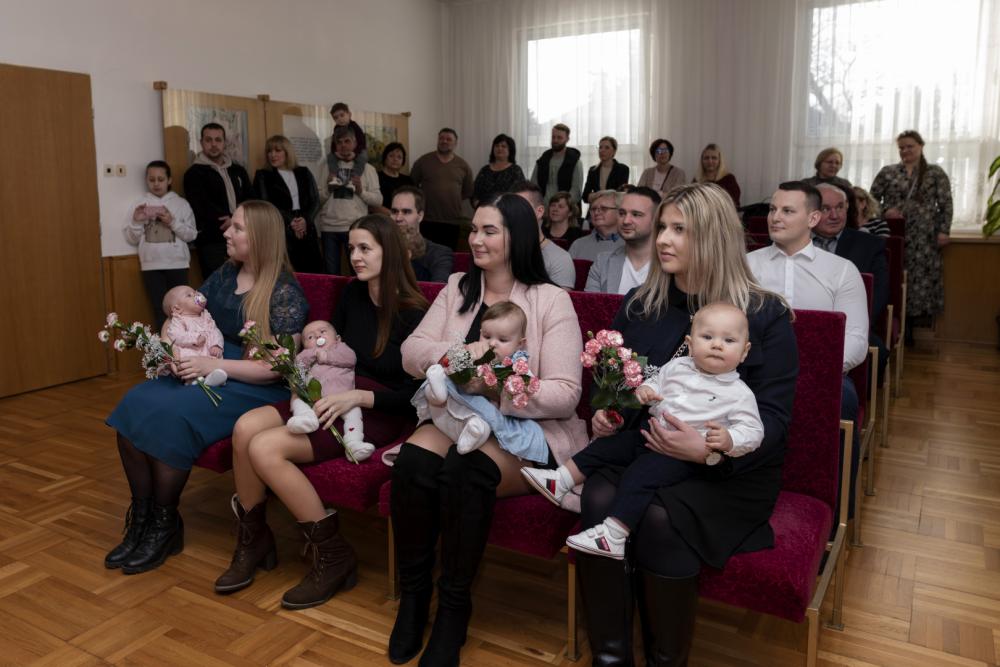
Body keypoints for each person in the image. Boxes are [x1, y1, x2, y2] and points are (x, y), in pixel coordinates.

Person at [571, 183, 797, 665]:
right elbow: (613, 383)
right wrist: (607, 412)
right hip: (645, 448)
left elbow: (775, 421)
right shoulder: (641, 303)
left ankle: (666, 661)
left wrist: (709, 451)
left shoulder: (763, 314)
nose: (663, 239)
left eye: (680, 229)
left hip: (725, 469)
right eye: (663, 227)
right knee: (598, 497)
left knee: (659, 517)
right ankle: (610, 658)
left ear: (713, 237)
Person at [387, 193, 588, 666]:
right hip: (459, 414)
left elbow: (565, 393)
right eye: (474, 229)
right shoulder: (458, 287)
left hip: (526, 427)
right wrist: (460, 359)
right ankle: (414, 596)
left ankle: (454, 607)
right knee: (412, 465)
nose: (475, 239)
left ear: (517, 237)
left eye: (489, 231)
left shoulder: (550, 300)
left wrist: (494, 386)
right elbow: (411, 352)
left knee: (465, 471)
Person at [214, 214, 427, 607]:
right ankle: (254, 540)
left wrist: (359, 398)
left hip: (376, 409)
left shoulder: (414, 311)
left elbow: (419, 392)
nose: (355, 256)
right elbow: (330, 355)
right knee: (245, 428)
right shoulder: (352, 293)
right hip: (329, 391)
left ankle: (333, 556)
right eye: (352, 248)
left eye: (365, 248)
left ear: (391, 252)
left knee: (264, 448)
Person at [105, 200, 308, 575]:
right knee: (135, 402)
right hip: (204, 365)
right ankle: (143, 519)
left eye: (238, 228)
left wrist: (213, 365)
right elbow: (181, 312)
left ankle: (165, 524)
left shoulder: (284, 292)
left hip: (252, 382)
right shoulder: (226, 273)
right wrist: (168, 347)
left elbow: (275, 367)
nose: (227, 232)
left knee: (173, 415)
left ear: (261, 238)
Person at [525, 303, 763, 559]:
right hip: (649, 434)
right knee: (607, 447)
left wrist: (730, 439)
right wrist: (646, 391)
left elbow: (753, 431)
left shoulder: (739, 394)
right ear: (690, 344)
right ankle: (561, 480)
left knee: (640, 475)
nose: (717, 345)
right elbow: (656, 382)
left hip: (681, 457)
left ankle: (614, 535)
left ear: (744, 352)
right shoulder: (677, 366)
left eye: (729, 340)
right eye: (707, 337)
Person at [747, 181, 868, 520]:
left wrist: (816, 372)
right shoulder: (746, 265)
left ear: (813, 218)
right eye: (773, 209)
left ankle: (837, 510)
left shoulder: (841, 270)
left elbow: (856, 340)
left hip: (821, 374)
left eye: (787, 211)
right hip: (753, 368)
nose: (775, 217)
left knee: (844, 398)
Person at [414, 301, 547, 461]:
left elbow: (525, 390)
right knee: (445, 378)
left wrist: (501, 387)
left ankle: (475, 431)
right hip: (453, 407)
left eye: (503, 339)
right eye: (487, 336)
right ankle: (436, 393)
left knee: (483, 420)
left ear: (520, 344)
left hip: (485, 414)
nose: (492, 343)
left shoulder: (517, 365)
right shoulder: (475, 351)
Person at [870, 129, 953, 343]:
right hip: (894, 234)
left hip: (925, 237)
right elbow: (870, 201)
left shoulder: (935, 173)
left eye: (910, 146)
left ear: (921, 146)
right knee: (895, 275)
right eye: (901, 148)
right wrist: (885, 211)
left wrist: (944, 230)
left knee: (920, 281)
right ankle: (898, 323)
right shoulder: (887, 172)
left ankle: (911, 327)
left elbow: (946, 203)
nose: (905, 150)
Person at [284, 319, 376, 463]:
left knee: (354, 414)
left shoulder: (342, 348)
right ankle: (306, 418)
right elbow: (297, 368)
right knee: (298, 400)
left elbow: (350, 359)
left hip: (342, 397)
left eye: (322, 332)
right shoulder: (306, 354)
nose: (317, 336)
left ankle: (354, 443)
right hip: (313, 396)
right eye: (310, 337)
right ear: (304, 345)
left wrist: (326, 356)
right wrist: (311, 354)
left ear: (337, 338)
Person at [124, 160, 197, 330]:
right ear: (146, 180)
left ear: (169, 180)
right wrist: (136, 220)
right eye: (152, 180)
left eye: (161, 179)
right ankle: (165, 345)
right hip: (151, 266)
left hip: (178, 264)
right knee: (159, 310)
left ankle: (184, 344)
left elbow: (191, 235)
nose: (156, 184)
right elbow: (132, 239)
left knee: (183, 309)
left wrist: (172, 222)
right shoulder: (140, 204)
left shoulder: (181, 204)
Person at [183, 123, 254, 278]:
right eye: (209, 140)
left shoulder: (238, 170)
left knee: (245, 281)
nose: (214, 144)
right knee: (217, 283)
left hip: (242, 237)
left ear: (224, 143)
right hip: (212, 241)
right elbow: (201, 206)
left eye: (218, 140)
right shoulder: (193, 173)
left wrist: (235, 221)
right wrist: (232, 221)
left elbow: (250, 199)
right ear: (201, 142)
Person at [316, 126, 382, 275]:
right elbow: (316, 200)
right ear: (335, 144)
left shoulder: (368, 169)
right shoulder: (325, 167)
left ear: (355, 143)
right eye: (339, 142)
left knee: (358, 273)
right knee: (331, 275)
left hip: (356, 228)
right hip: (329, 228)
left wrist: (361, 192)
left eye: (347, 141)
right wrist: (328, 189)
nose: (343, 145)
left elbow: (378, 200)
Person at [253, 135, 324, 273]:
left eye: (277, 150)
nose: (272, 155)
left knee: (312, 270)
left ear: (287, 152)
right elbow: (266, 204)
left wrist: (305, 220)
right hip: (280, 228)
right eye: (269, 151)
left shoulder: (304, 172)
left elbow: (315, 200)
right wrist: (291, 221)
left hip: (306, 226)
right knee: (287, 272)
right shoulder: (263, 175)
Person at [585, 186, 661, 294]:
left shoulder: (671, 265)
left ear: (656, 220)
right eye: (622, 213)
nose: (626, 221)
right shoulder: (602, 263)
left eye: (636, 214)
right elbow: (591, 304)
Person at [409, 128, 474, 249]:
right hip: (427, 219)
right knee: (426, 253)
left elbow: (467, 192)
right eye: (441, 138)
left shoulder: (463, 166)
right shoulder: (423, 161)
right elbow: (412, 186)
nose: (444, 141)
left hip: (452, 221)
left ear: (455, 143)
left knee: (448, 254)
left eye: (448, 139)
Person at [510, 181, 574, 289]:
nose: (513, 213)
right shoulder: (501, 250)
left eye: (521, 207)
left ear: (539, 211)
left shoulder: (560, 259)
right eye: (511, 208)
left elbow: (560, 299)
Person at [161, 285, 227, 387]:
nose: (197, 295)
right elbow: (176, 335)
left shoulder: (206, 317)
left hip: (208, 350)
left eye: (195, 292)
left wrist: (217, 345)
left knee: (215, 358)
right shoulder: (178, 320)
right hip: (190, 350)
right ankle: (192, 379)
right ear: (177, 308)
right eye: (189, 295)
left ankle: (213, 377)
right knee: (186, 361)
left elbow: (215, 331)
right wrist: (195, 338)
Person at [391, 186, 454, 282]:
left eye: (406, 212)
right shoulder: (378, 248)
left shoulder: (438, 253)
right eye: (394, 212)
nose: (398, 218)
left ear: (420, 216)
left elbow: (438, 288)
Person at [530, 123, 583, 204]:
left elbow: (576, 191)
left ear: (567, 139)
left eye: (559, 138)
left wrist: (562, 206)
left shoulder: (575, 162)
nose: (555, 140)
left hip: (566, 208)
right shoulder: (543, 160)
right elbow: (533, 185)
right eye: (553, 137)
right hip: (542, 206)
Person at [569, 189, 624, 262]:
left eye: (604, 208)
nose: (596, 212)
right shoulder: (578, 245)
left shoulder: (631, 246)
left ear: (620, 212)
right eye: (593, 209)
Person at [472, 134, 525, 207]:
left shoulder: (516, 170)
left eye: (503, 146)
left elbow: (520, 194)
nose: (499, 148)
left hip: (507, 211)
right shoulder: (485, 170)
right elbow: (475, 193)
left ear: (510, 150)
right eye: (497, 146)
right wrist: (477, 203)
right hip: (485, 210)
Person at [325, 102, 368, 185]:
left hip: (358, 150)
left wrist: (355, 153)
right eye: (336, 117)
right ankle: (333, 176)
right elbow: (334, 143)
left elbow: (362, 143)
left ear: (349, 114)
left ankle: (355, 178)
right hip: (342, 152)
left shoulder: (355, 126)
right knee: (330, 157)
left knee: (363, 157)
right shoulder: (336, 128)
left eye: (342, 115)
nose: (339, 119)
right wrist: (335, 152)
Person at [582, 136, 630, 205]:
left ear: (614, 151)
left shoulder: (623, 169)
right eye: (600, 147)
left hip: (614, 208)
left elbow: (620, 195)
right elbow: (585, 196)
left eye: (607, 148)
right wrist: (600, 194)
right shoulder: (593, 170)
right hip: (596, 207)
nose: (602, 150)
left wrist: (596, 195)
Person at [377, 141, 414, 211]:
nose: (395, 159)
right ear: (385, 158)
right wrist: (393, 214)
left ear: (403, 161)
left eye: (399, 157)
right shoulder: (376, 177)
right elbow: (372, 205)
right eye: (391, 156)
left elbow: (414, 202)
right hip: (381, 217)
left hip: (405, 216)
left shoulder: (408, 180)